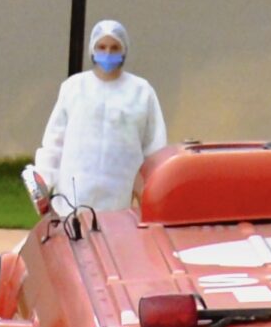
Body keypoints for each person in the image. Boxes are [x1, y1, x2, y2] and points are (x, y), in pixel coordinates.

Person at [30, 19, 168, 212]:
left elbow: (154, 148)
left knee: (113, 239)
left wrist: (148, 192)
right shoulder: (74, 87)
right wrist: (44, 181)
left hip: (118, 195)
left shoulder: (141, 92)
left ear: (124, 50)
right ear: (92, 49)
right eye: (102, 47)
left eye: (114, 47)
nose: (108, 53)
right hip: (74, 195)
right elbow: (54, 142)